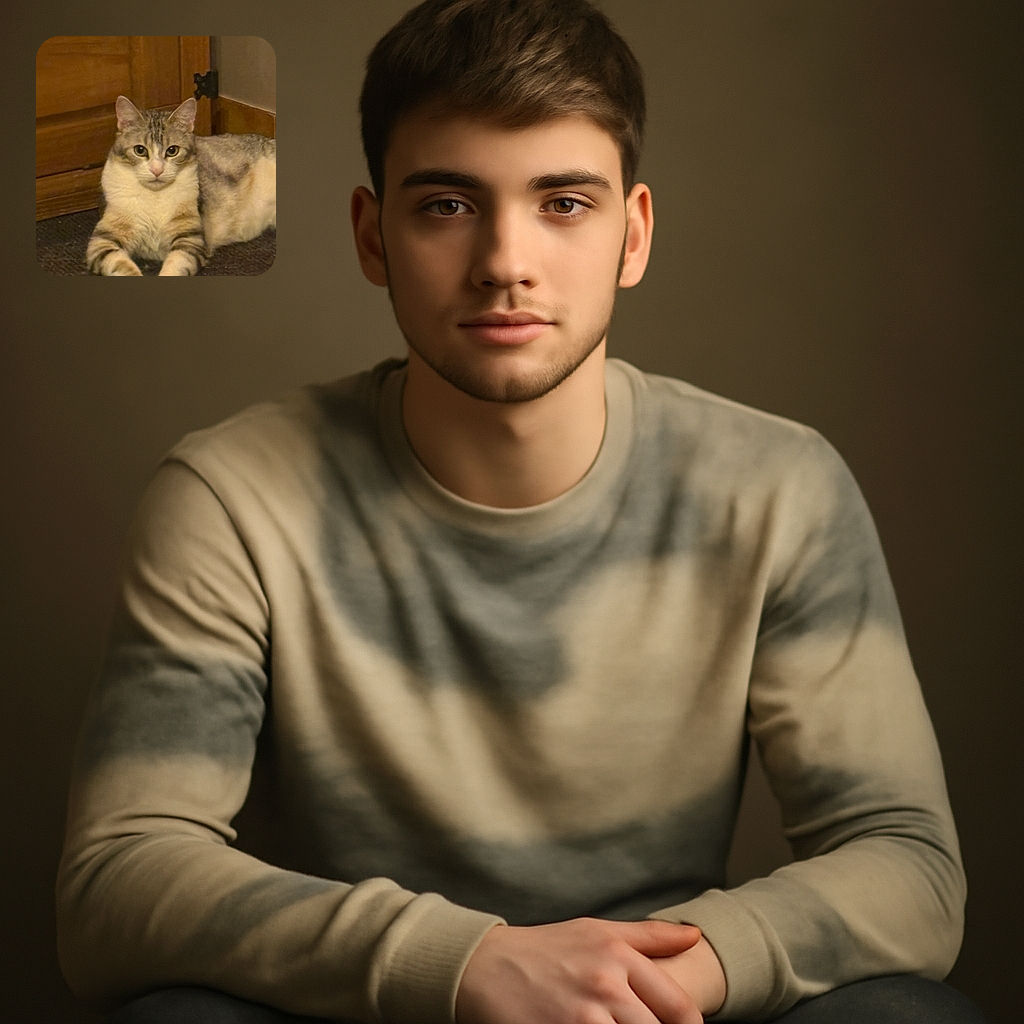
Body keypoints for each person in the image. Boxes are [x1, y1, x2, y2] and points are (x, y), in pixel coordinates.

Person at [57, 2, 983, 1022]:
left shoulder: (777, 487)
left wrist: (647, 982)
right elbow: (118, 878)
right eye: (448, 204)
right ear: (372, 235)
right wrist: (464, 964)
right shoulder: (232, 497)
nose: (505, 260)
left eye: (564, 203)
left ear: (633, 235)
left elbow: (905, 862)